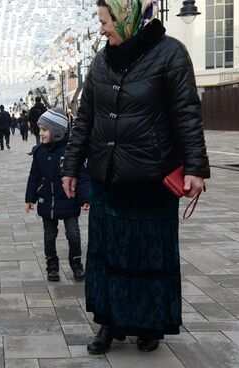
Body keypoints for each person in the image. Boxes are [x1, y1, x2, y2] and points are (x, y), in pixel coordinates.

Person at [61, 0, 210, 355]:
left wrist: (196, 168)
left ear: (125, 17)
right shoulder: (100, 60)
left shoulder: (170, 53)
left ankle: (149, 323)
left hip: (151, 179)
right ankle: (109, 322)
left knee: (146, 256)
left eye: (104, 21)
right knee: (108, 255)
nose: (101, 29)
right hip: (107, 179)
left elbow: (187, 113)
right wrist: (71, 166)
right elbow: (85, 119)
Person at [25, 108, 89, 282]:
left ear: (57, 132)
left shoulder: (71, 152)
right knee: (49, 234)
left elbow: (82, 176)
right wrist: (30, 198)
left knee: (73, 233)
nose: (40, 133)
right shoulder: (39, 151)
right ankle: (52, 264)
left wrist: (85, 198)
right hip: (47, 200)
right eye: (40, 129)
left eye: (44, 130)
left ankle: (76, 263)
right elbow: (34, 176)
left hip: (69, 199)